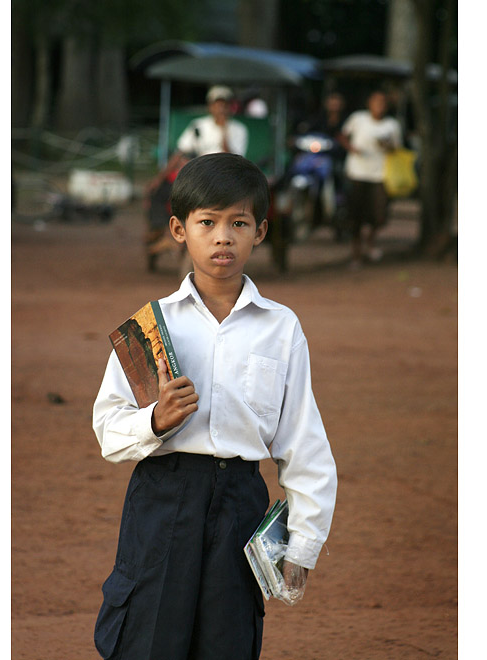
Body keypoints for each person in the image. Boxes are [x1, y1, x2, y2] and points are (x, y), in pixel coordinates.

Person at [93, 153, 337, 659]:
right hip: (163, 501)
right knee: (148, 637)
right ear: (180, 230)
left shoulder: (281, 327)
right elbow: (107, 430)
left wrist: (304, 543)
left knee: (228, 641)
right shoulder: (151, 326)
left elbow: (302, 440)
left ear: (261, 231)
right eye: (207, 223)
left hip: (241, 509)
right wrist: (155, 420)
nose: (223, 237)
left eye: (238, 223)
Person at [146, 85, 248, 273]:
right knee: (163, 190)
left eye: (224, 105)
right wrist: (159, 178)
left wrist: (224, 131)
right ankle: (160, 230)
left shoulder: (238, 129)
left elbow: (233, 159)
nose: (220, 109)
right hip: (197, 173)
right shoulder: (198, 125)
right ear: (210, 106)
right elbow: (180, 153)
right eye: (217, 105)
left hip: (224, 175)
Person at [339, 90, 403, 267]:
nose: (379, 106)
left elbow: (396, 148)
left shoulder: (392, 125)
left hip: (380, 174)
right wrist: (352, 148)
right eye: (376, 102)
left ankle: (370, 242)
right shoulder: (358, 119)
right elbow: (342, 135)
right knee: (355, 214)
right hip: (357, 173)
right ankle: (356, 253)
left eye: (382, 102)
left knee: (379, 214)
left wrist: (387, 145)